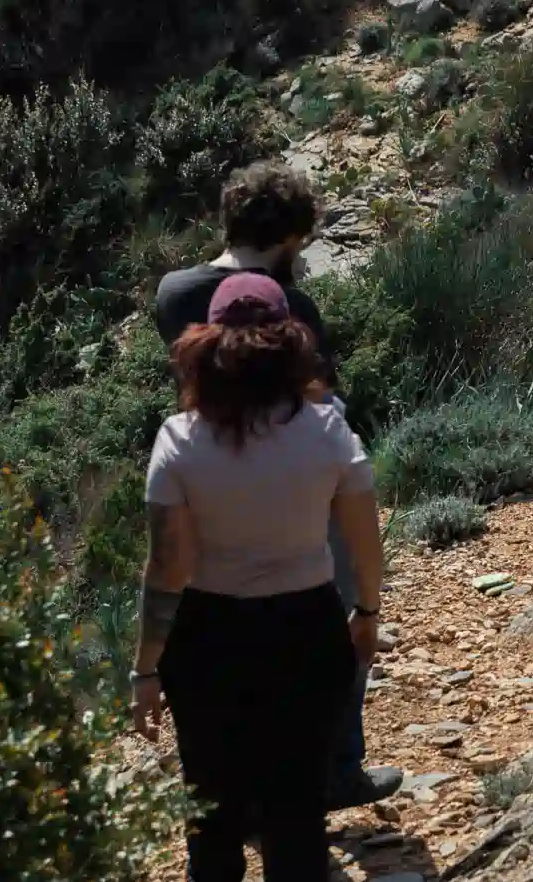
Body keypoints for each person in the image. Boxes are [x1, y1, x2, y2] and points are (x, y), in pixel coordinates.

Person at [130, 273, 384, 882]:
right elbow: (364, 539)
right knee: (296, 796)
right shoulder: (329, 430)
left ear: (203, 348)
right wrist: (366, 610)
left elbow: (166, 567)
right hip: (305, 624)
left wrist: (146, 666)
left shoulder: (178, 441)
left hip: (207, 631)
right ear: (290, 344)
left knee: (210, 769)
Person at [155, 162, 399, 812]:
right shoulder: (292, 304)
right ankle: (338, 768)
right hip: (298, 488)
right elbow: (321, 396)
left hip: (207, 483)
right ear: (290, 236)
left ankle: (250, 791)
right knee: (336, 619)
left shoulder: (173, 292)